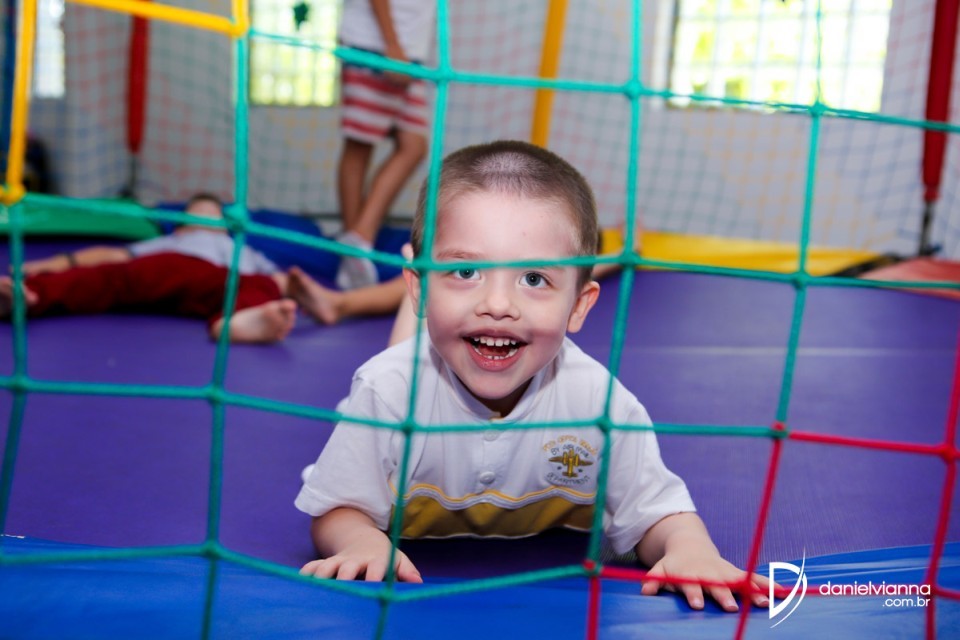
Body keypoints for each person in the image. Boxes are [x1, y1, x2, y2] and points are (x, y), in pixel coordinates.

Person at [294, 141, 770, 612]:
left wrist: (690, 548)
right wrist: (360, 540)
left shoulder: (601, 405)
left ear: (580, 306)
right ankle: (438, 296)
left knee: (443, 333)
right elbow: (338, 508)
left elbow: (660, 514)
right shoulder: (385, 391)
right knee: (407, 356)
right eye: (466, 270)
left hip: (444, 346)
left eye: (534, 279)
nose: (498, 305)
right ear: (419, 285)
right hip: (411, 381)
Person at [0, 193, 298, 344]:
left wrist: (308, 292)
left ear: (225, 226)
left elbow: (283, 280)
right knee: (107, 278)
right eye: (197, 213)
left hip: (222, 287)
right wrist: (52, 264)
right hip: (169, 271)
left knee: (262, 285)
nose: (205, 219)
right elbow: (113, 256)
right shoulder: (172, 242)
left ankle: (234, 323)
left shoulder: (241, 249)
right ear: (181, 225)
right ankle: (27, 295)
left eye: (212, 215)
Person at [334, 0, 436, 290]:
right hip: (376, 47)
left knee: (413, 145)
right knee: (360, 144)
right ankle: (356, 246)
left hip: (405, 54)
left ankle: (358, 239)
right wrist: (392, 44)